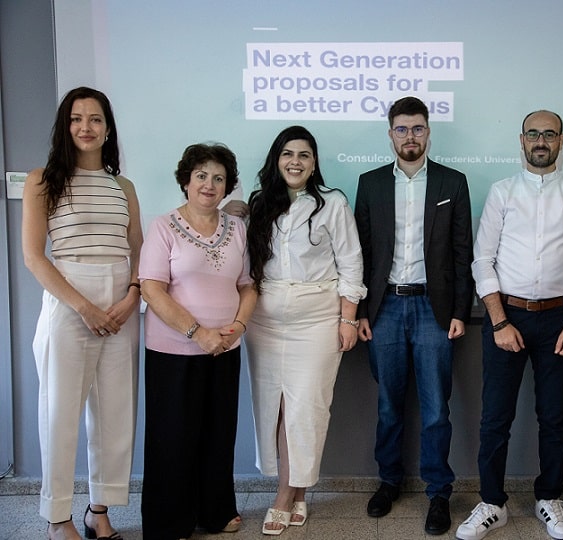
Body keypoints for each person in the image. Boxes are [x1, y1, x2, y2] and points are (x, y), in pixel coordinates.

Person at [457, 110, 563, 540]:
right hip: (507, 316)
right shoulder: (502, 192)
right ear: (521, 140)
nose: (541, 141)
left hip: (561, 319)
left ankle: (549, 497)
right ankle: (491, 503)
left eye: (549, 134)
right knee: (495, 418)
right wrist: (499, 320)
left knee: (554, 417)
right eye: (533, 134)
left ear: (561, 140)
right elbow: (482, 260)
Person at [22, 87, 142, 540]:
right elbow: (35, 257)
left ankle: (99, 511)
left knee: (115, 412)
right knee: (60, 413)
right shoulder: (41, 181)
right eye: (76, 119)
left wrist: (132, 297)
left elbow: (138, 250)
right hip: (70, 301)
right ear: (64, 126)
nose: (85, 127)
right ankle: (57, 519)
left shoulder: (123, 187)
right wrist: (84, 307)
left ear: (108, 128)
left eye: (95, 119)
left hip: (121, 304)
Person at [354, 96, 474, 536]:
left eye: (417, 128)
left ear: (428, 132)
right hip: (384, 307)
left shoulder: (452, 182)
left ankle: (438, 492)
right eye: (402, 129)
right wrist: (360, 311)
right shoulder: (370, 184)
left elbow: (462, 252)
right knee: (388, 404)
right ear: (390, 134)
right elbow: (360, 253)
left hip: (433, 309)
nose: (410, 136)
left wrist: (460, 311)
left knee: (436, 408)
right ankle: (389, 481)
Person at [245, 125, 366, 536]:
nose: (295, 162)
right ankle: (295, 492)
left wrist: (348, 318)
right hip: (264, 324)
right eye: (288, 154)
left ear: (314, 164)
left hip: (316, 321)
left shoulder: (333, 203)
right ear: (276, 160)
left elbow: (351, 263)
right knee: (275, 408)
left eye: (304, 155)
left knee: (306, 409)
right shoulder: (259, 203)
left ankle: (284, 495)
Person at [139, 143, 256, 540]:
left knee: (218, 434)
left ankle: (215, 511)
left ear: (227, 186)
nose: (209, 184)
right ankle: (170, 522)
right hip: (173, 352)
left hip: (225, 349)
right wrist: (198, 332)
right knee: (173, 437)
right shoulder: (163, 226)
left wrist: (238, 326)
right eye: (202, 175)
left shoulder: (237, 228)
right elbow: (151, 289)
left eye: (218, 178)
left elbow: (248, 285)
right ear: (186, 181)